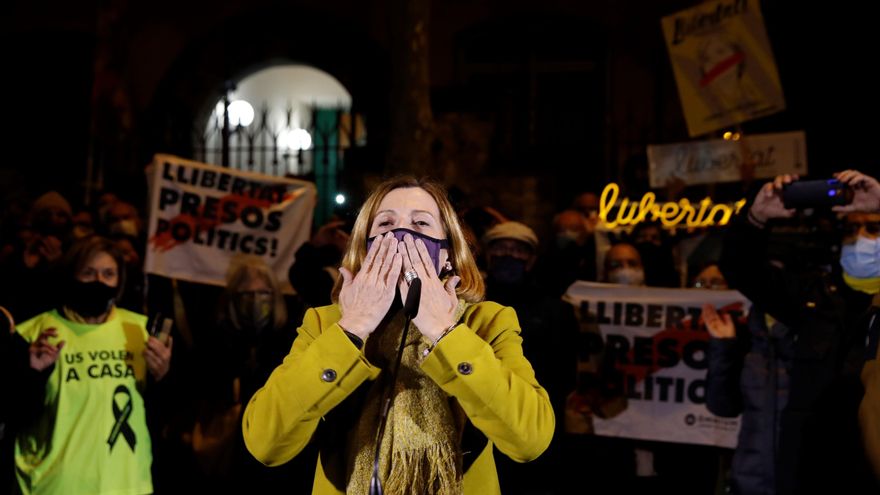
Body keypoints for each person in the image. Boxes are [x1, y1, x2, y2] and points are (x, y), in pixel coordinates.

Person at [242, 176, 554, 494]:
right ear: (364, 249)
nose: (400, 234)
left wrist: (446, 334)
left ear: (447, 253)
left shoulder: (487, 323)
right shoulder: (325, 324)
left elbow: (529, 439)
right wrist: (352, 329)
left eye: (420, 223)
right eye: (385, 223)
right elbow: (266, 444)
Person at [710, 170, 880, 494]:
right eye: (852, 229)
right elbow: (740, 268)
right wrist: (756, 217)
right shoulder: (815, 299)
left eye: (874, 228)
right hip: (813, 473)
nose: (863, 240)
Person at [12, 235, 173, 495]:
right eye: (88, 273)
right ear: (71, 275)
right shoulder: (34, 333)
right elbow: (14, 414)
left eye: (108, 274)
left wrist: (163, 376)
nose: (99, 281)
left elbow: (162, 416)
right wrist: (31, 373)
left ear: (119, 281)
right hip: (53, 485)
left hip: (126, 484)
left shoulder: (139, 330)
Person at [480, 221, 577, 495]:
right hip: (481, 426)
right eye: (501, 248)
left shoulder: (557, 311)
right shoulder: (468, 304)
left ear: (531, 259)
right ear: (488, 254)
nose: (509, 255)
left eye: (518, 250)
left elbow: (565, 376)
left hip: (536, 427)